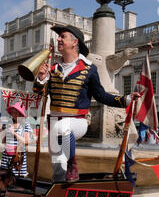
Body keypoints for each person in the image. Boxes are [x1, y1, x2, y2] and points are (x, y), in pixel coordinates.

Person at [33, 24, 139, 182]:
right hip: (54, 122)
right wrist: (41, 78)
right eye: (59, 36)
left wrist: (126, 99)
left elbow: (101, 95)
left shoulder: (89, 69)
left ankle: (73, 165)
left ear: (74, 42)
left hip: (78, 122)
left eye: (63, 37)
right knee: (57, 169)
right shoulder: (53, 68)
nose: (59, 39)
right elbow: (38, 92)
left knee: (64, 129)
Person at [0, 102, 33, 178]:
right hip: (6, 156)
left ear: (20, 114)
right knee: (4, 179)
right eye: (12, 112)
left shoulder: (26, 125)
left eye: (16, 112)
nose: (13, 114)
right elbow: (3, 141)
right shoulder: (8, 123)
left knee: (17, 181)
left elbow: (26, 141)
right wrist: (3, 132)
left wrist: (14, 133)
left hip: (17, 157)